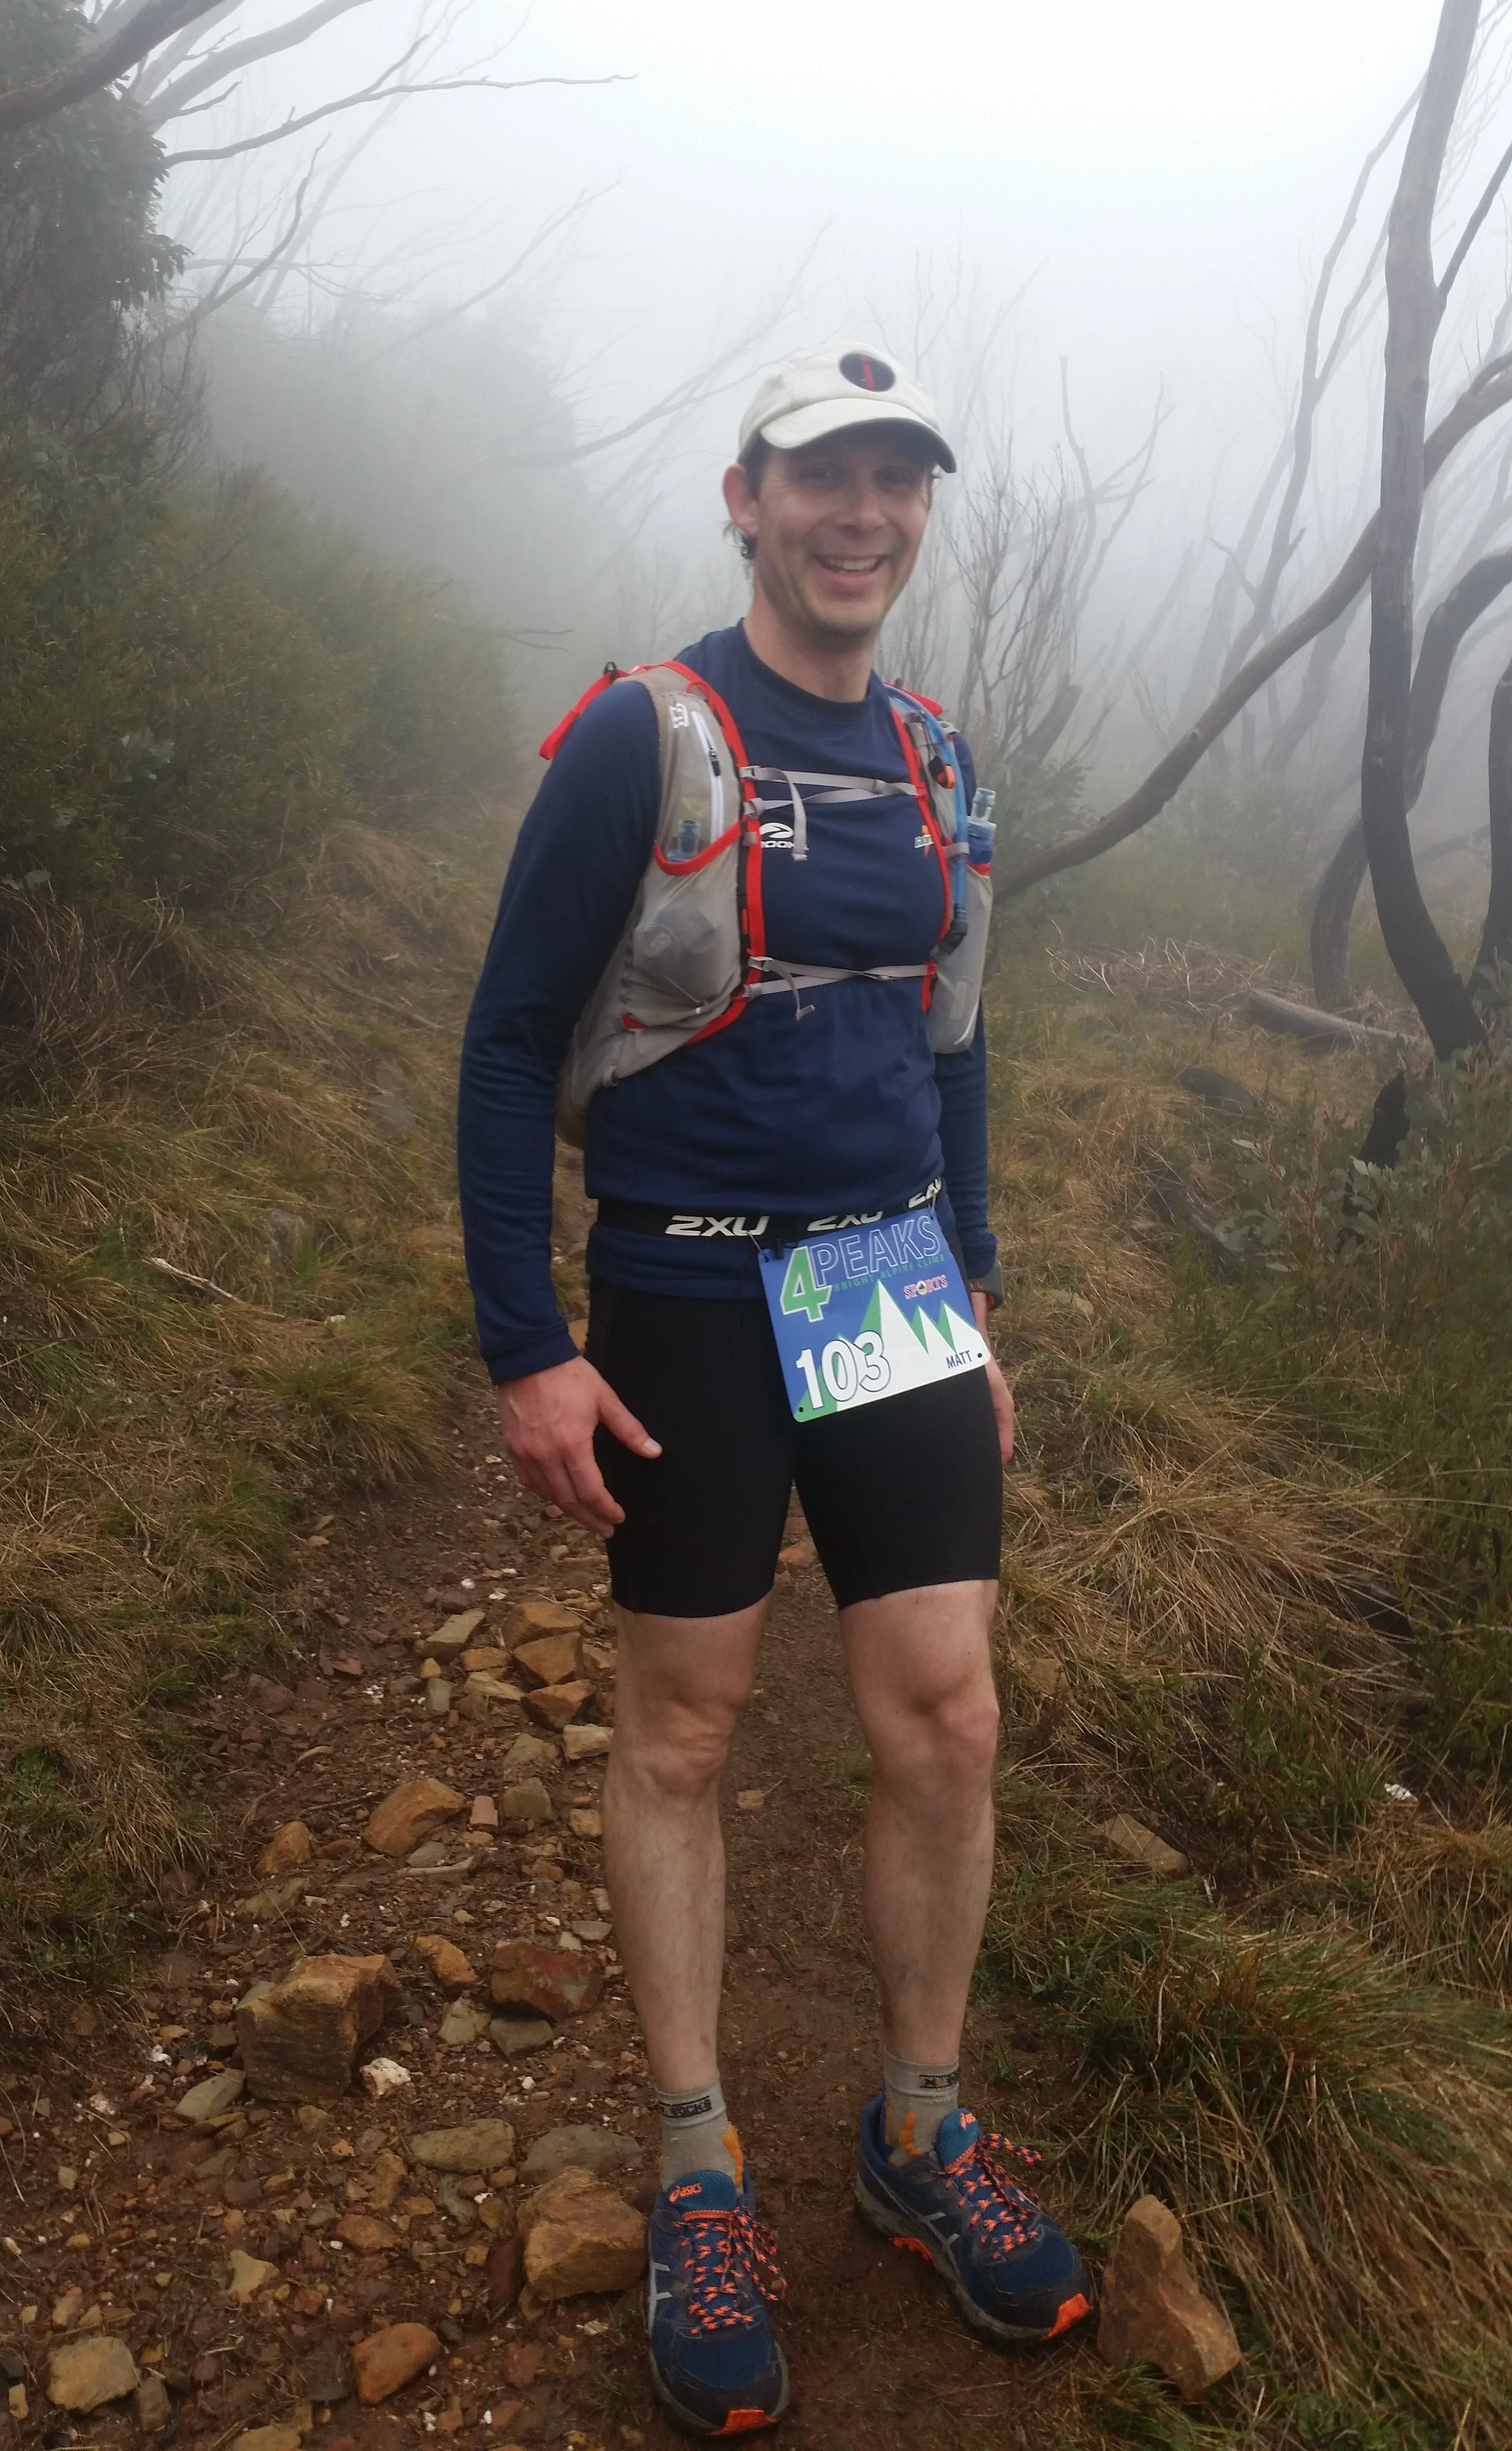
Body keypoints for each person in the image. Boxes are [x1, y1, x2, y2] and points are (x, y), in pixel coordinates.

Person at [457, 348, 1092, 2437]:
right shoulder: (643, 737)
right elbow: (501, 1042)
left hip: (893, 1280)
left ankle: (918, 2122)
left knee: (949, 1711)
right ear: (746, 497)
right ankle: (698, 2164)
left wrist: (976, 1283)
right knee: (687, 1724)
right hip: (684, 1284)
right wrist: (525, 1343)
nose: (863, 514)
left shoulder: (935, 756)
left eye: (896, 481)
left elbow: (955, 1037)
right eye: (824, 476)